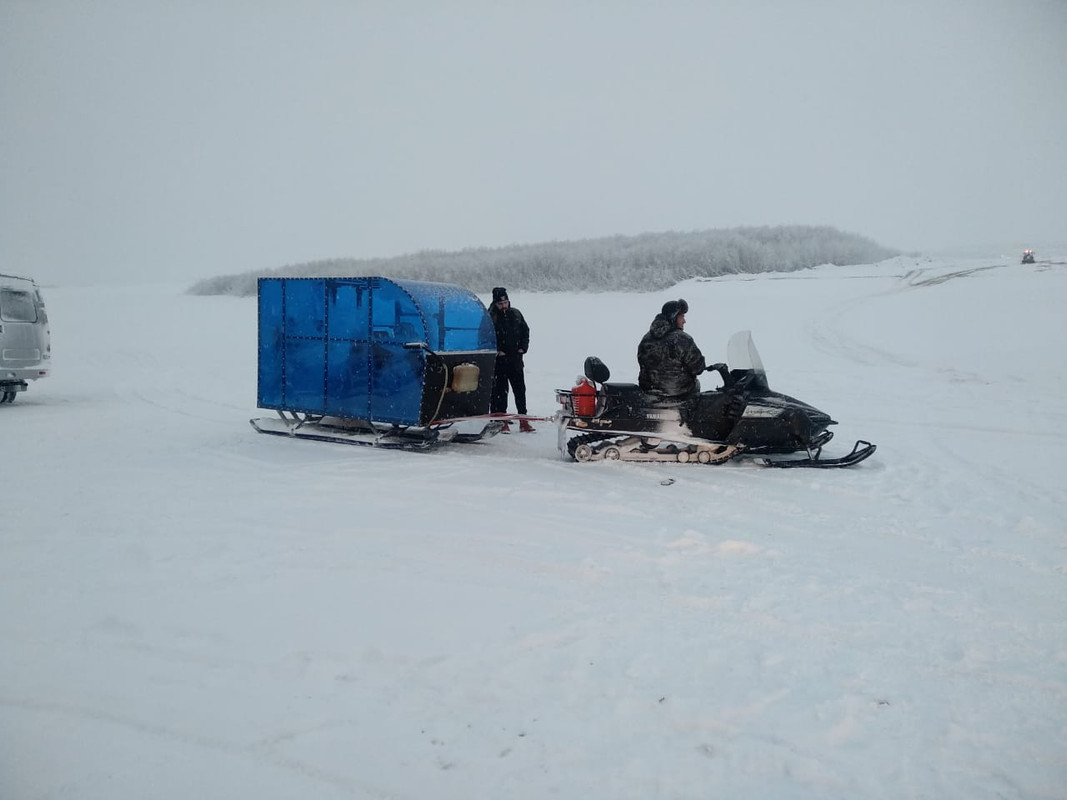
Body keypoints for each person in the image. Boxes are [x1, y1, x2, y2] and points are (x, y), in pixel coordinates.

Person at [637, 298, 707, 396]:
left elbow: (642, 363)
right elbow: (698, 368)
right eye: (682, 316)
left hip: (649, 393)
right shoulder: (682, 339)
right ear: (673, 317)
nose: (684, 321)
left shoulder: (647, 338)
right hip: (679, 395)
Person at [488, 287, 534, 432]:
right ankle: (502, 421)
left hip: (515, 359)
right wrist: (496, 351)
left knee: (520, 390)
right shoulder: (490, 317)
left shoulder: (516, 314)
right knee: (500, 392)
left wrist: (523, 347)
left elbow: (525, 331)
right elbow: (485, 336)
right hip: (500, 362)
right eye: (500, 304)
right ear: (495, 303)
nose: (504, 306)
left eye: (506, 302)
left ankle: (523, 420)